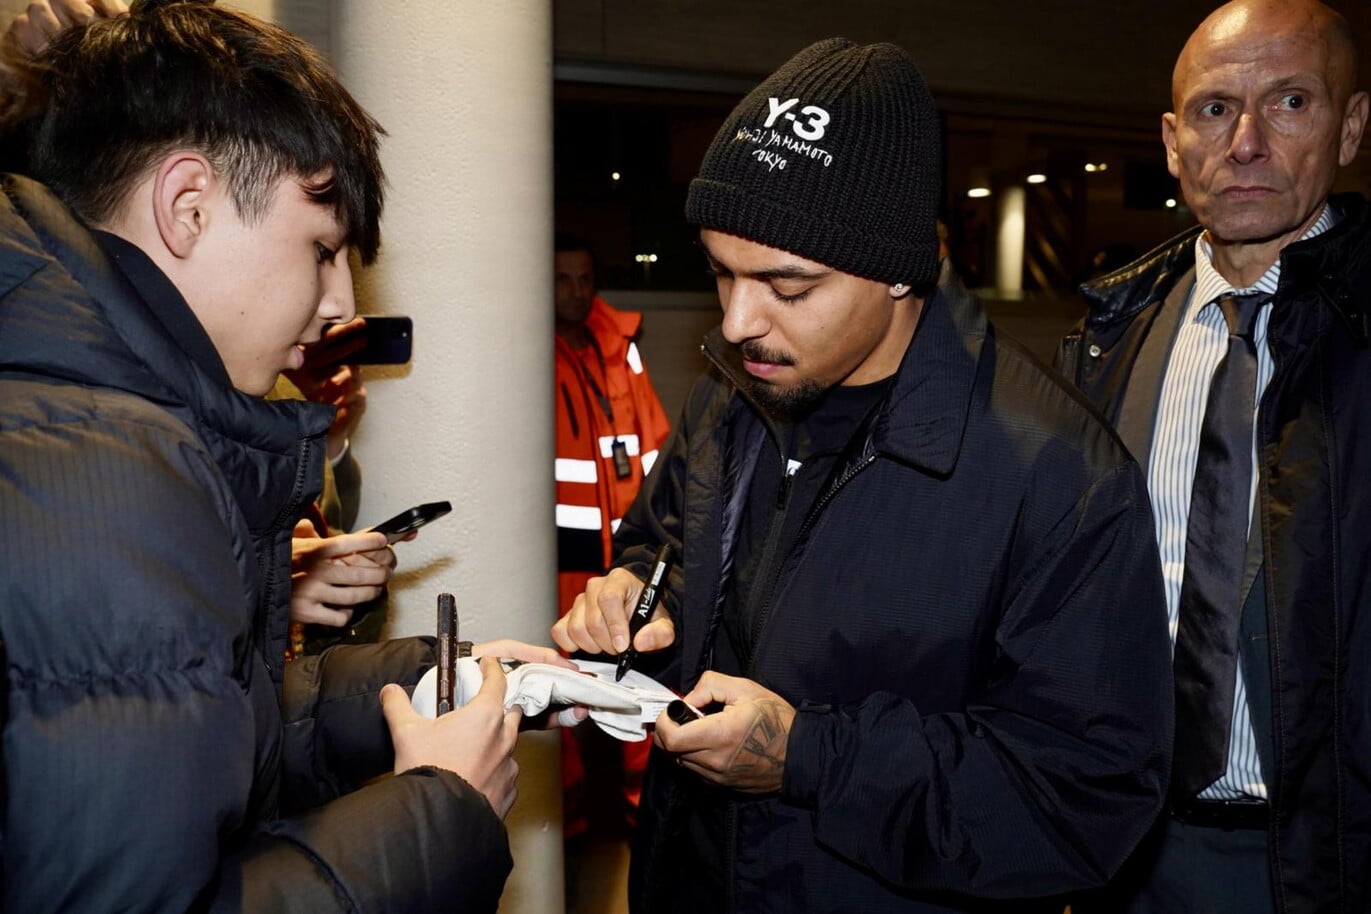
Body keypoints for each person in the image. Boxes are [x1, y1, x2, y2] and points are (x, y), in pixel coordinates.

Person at [553, 38, 1174, 913]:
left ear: (897, 273)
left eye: (787, 286)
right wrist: (636, 597)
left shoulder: (1059, 478)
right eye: (720, 273)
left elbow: (1080, 800)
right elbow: (666, 546)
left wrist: (808, 758)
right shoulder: (728, 398)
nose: (736, 322)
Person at [0, 3, 571, 910]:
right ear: (187, 206)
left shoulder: (95, 416)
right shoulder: (105, 472)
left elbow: (200, 732)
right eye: (322, 249)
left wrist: (417, 681)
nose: (340, 302)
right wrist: (442, 807)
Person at [1056, 1, 1371, 911]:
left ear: (1351, 126)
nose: (1244, 144)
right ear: (1170, 141)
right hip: (1125, 853)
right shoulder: (1101, 345)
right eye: (1214, 109)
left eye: (1289, 102)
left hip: (1333, 858)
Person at [553, 232, 671, 847]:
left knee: (639, 685)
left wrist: (660, 539)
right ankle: (569, 831)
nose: (575, 292)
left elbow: (658, 445)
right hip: (561, 561)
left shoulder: (621, 348)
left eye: (584, 279)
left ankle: (640, 819)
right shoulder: (530, 352)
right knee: (561, 691)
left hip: (628, 553)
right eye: (562, 279)